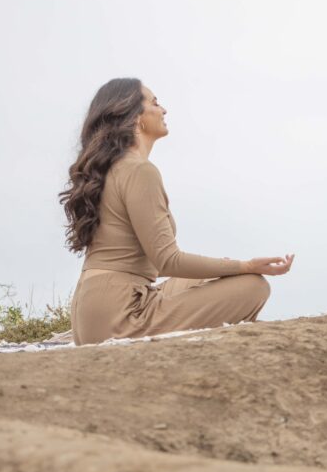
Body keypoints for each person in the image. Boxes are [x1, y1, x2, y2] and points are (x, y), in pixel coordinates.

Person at [58, 77, 293, 345]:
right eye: (155, 103)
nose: (164, 110)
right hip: (120, 316)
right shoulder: (139, 170)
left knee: (215, 275)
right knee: (254, 286)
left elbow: (148, 265)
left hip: (91, 310)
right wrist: (246, 265)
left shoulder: (111, 169)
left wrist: (227, 268)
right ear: (136, 118)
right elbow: (168, 260)